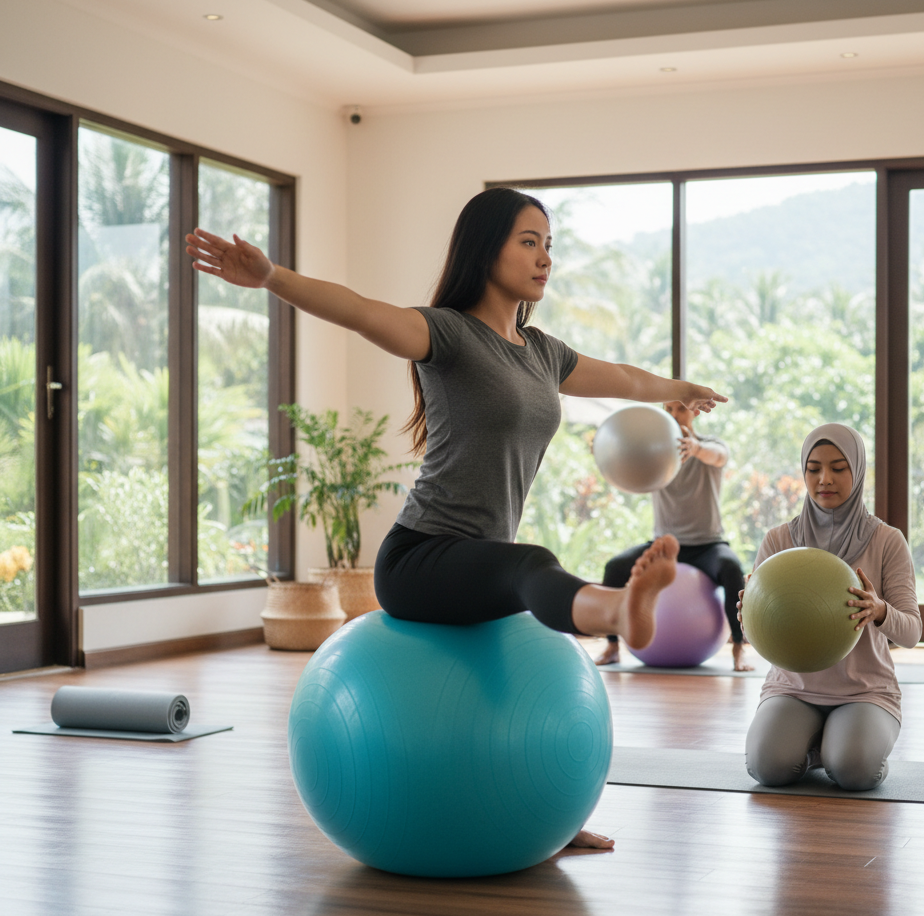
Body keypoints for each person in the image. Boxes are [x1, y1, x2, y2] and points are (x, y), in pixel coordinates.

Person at [186, 186, 727, 846]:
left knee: (517, 602)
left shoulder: (541, 352)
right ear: (484, 250)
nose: (544, 258)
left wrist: (680, 390)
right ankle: (618, 612)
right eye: (528, 242)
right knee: (530, 564)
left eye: (549, 245)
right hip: (422, 559)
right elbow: (358, 311)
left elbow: (621, 378)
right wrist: (270, 276)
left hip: (481, 561)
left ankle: (548, 809)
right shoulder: (445, 333)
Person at [740, 423, 921, 791]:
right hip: (793, 688)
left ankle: (840, 750)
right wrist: (750, 614)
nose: (825, 479)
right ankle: (818, 751)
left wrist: (879, 610)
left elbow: (912, 632)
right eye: (814, 468)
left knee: (855, 771)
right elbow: (756, 635)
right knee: (767, 768)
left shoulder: (887, 541)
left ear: (857, 470)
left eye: (839, 468)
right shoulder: (778, 540)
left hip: (865, 691)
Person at [595, 399, 751, 670]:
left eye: (681, 408)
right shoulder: (654, 452)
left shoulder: (709, 446)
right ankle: (611, 645)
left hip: (707, 545)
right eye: (669, 409)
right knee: (614, 568)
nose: (675, 414)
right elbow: (628, 463)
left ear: (694, 412)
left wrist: (696, 448)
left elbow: (719, 456)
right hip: (665, 546)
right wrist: (608, 450)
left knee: (731, 567)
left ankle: (738, 646)